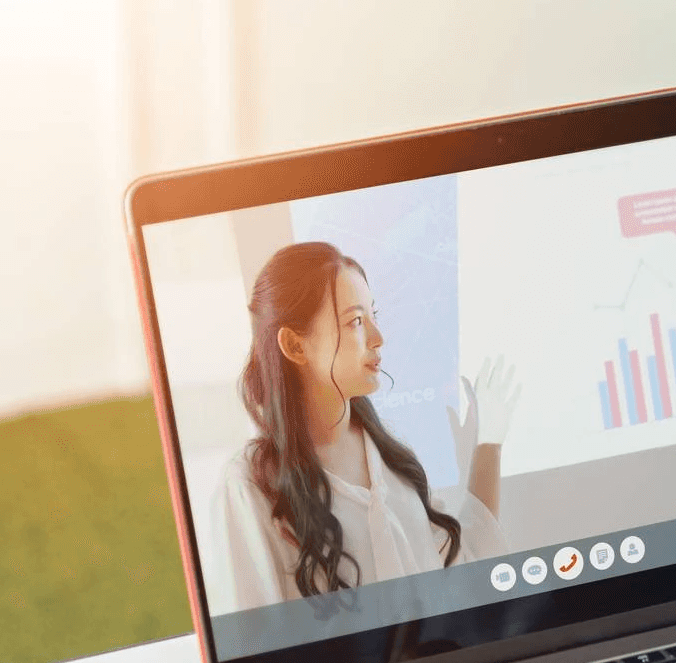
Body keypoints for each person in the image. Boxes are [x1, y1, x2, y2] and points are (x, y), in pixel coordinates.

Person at [211, 241, 519, 613]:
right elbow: (255, 651)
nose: (378, 337)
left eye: (374, 316)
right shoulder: (249, 487)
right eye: (356, 321)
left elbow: (464, 569)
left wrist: (489, 443)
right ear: (294, 345)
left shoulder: (393, 467)